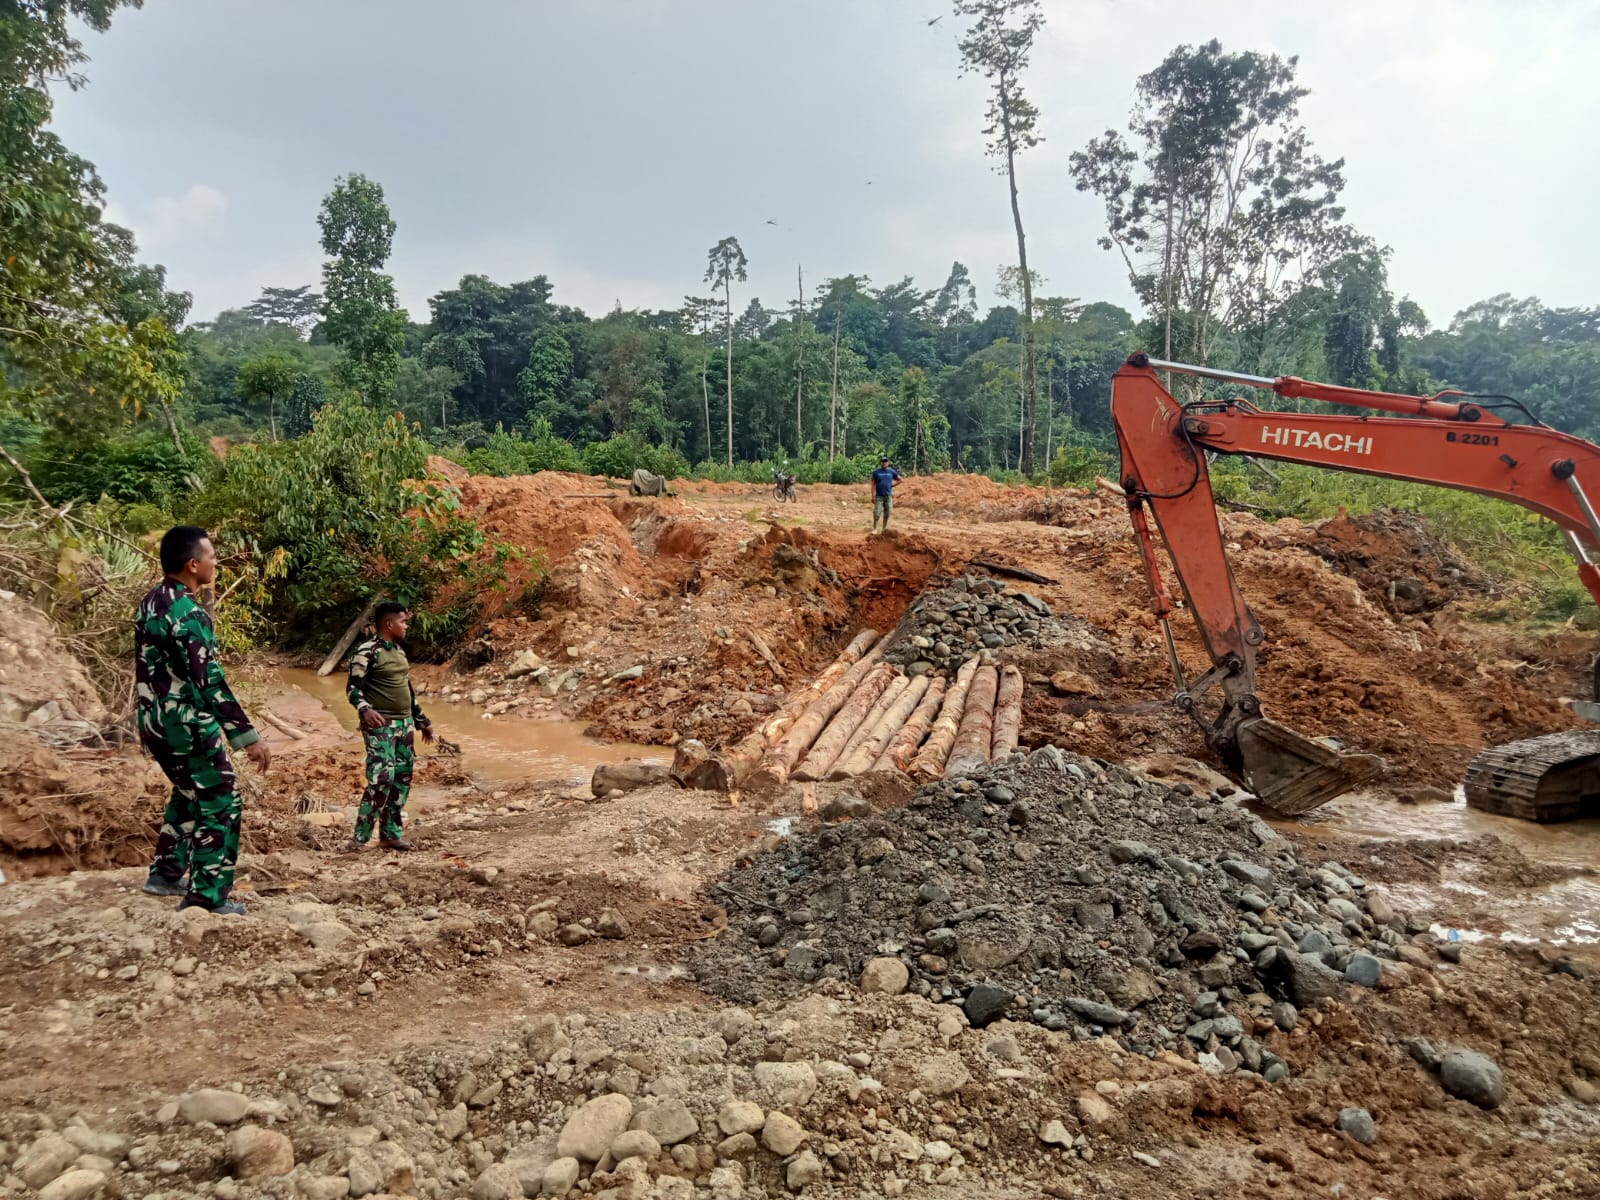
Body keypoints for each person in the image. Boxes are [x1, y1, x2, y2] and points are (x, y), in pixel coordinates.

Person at [137, 525, 271, 915]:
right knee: (221, 800)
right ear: (193, 565)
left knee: (188, 791)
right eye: (211, 556)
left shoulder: (150, 602)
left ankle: (164, 875)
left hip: (153, 721)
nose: (216, 562)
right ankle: (207, 898)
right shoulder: (190, 613)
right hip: (187, 724)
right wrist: (247, 736)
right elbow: (209, 682)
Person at [345, 602, 434, 852]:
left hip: (405, 725)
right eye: (403, 622)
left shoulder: (398, 651)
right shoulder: (366, 652)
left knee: (401, 779)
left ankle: (390, 835)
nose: (406, 626)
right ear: (388, 624)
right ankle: (359, 839)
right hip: (381, 726)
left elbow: (407, 689)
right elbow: (352, 689)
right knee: (381, 778)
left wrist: (422, 721)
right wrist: (365, 709)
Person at [870, 456, 903, 533]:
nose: (884, 463)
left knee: (888, 512)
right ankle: (875, 529)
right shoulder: (876, 472)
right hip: (879, 496)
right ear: (881, 462)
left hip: (888, 496)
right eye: (883, 461)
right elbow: (873, 485)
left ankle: (884, 529)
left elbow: (900, 480)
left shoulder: (891, 471)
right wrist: (873, 496)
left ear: (888, 462)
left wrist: (892, 485)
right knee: (877, 512)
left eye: (886, 461)